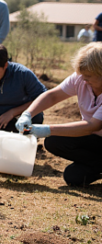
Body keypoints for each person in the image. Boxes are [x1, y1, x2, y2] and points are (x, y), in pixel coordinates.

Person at [16, 43, 102, 187]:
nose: (83, 80)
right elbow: (53, 96)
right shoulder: (81, 78)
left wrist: (47, 129)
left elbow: (93, 126)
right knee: (72, 175)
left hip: (94, 133)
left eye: (88, 76)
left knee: (53, 135)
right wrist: (27, 113)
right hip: (94, 140)